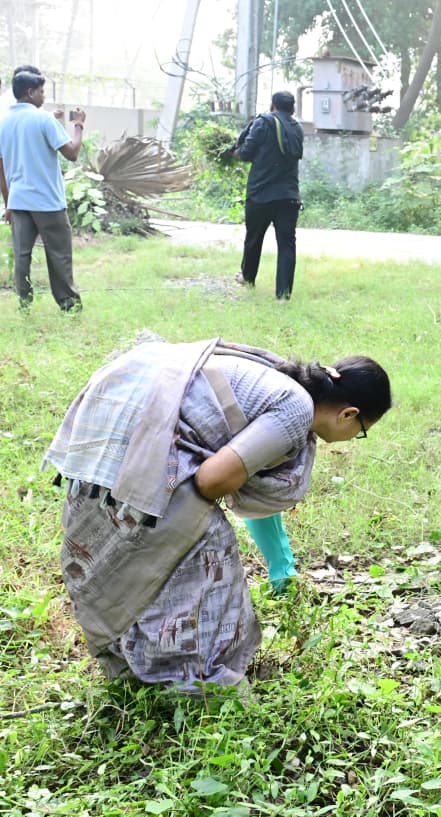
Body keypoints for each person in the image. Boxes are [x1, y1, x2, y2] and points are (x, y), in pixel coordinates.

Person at [45, 338, 391, 691]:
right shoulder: (296, 410)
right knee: (209, 550)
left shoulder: (278, 377)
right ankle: (195, 679)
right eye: (361, 432)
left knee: (160, 551)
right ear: (348, 414)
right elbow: (210, 481)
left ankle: (135, 667)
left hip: (110, 421)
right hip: (138, 440)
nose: (353, 438)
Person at [0, 69, 85, 311]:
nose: (44, 96)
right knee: (59, 255)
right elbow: (72, 153)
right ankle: (69, 305)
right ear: (30, 92)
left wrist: (8, 203)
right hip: (47, 201)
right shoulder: (44, 119)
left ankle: (24, 304)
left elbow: (1, 168)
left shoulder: (3, 122)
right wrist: (78, 125)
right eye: (41, 91)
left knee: (21, 256)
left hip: (19, 201)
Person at [232, 91, 304, 301]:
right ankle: (283, 295)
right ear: (293, 108)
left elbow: (245, 153)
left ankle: (248, 277)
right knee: (287, 244)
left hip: (261, 194)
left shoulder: (262, 122)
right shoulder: (297, 128)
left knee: (254, 238)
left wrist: (234, 152)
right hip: (289, 195)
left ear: (273, 105)